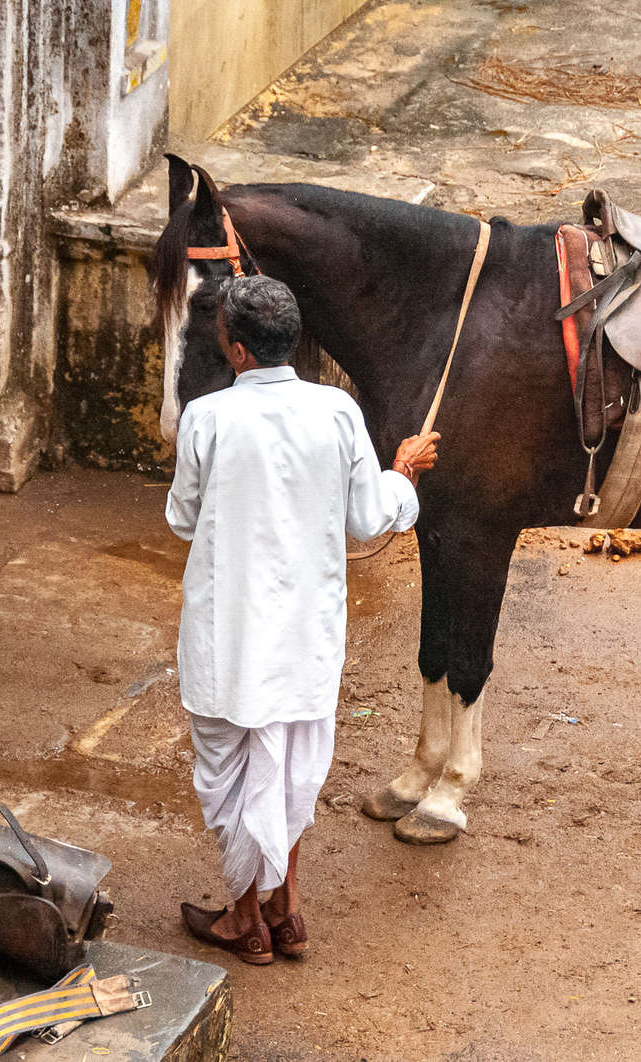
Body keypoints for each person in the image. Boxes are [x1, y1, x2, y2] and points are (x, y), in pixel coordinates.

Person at [166, 275, 439, 965]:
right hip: (306, 637)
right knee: (288, 770)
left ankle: (247, 920)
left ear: (234, 351)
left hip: (229, 637)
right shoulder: (338, 411)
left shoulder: (207, 417)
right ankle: (285, 911)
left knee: (232, 773)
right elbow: (371, 516)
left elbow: (181, 518)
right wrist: (402, 473)